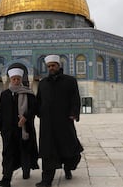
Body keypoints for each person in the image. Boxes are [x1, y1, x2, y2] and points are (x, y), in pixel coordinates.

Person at [35, 55, 83, 187]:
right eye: (49, 66)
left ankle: (68, 168)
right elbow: (38, 100)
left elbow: (75, 98)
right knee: (48, 151)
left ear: (58, 65)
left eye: (53, 65)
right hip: (47, 124)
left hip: (64, 121)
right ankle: (46, 180)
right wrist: (39, 112)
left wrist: (74, 113)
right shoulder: (43, 83)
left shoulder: (70, 81)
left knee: (69, 147)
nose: (51, 68)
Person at [0, 68, 39, 187]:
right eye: (14, 79)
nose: (16, 81)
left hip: (24, 129)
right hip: (8, 131)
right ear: (10, 79)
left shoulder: (28, 93)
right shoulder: (5, 94)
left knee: (25, 152)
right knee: (8, 153)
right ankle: (6, 179)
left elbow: (34, 108)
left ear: (21, 79)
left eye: (18, 79)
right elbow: (0, 112)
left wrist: (25, 117)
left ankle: (26, 170)